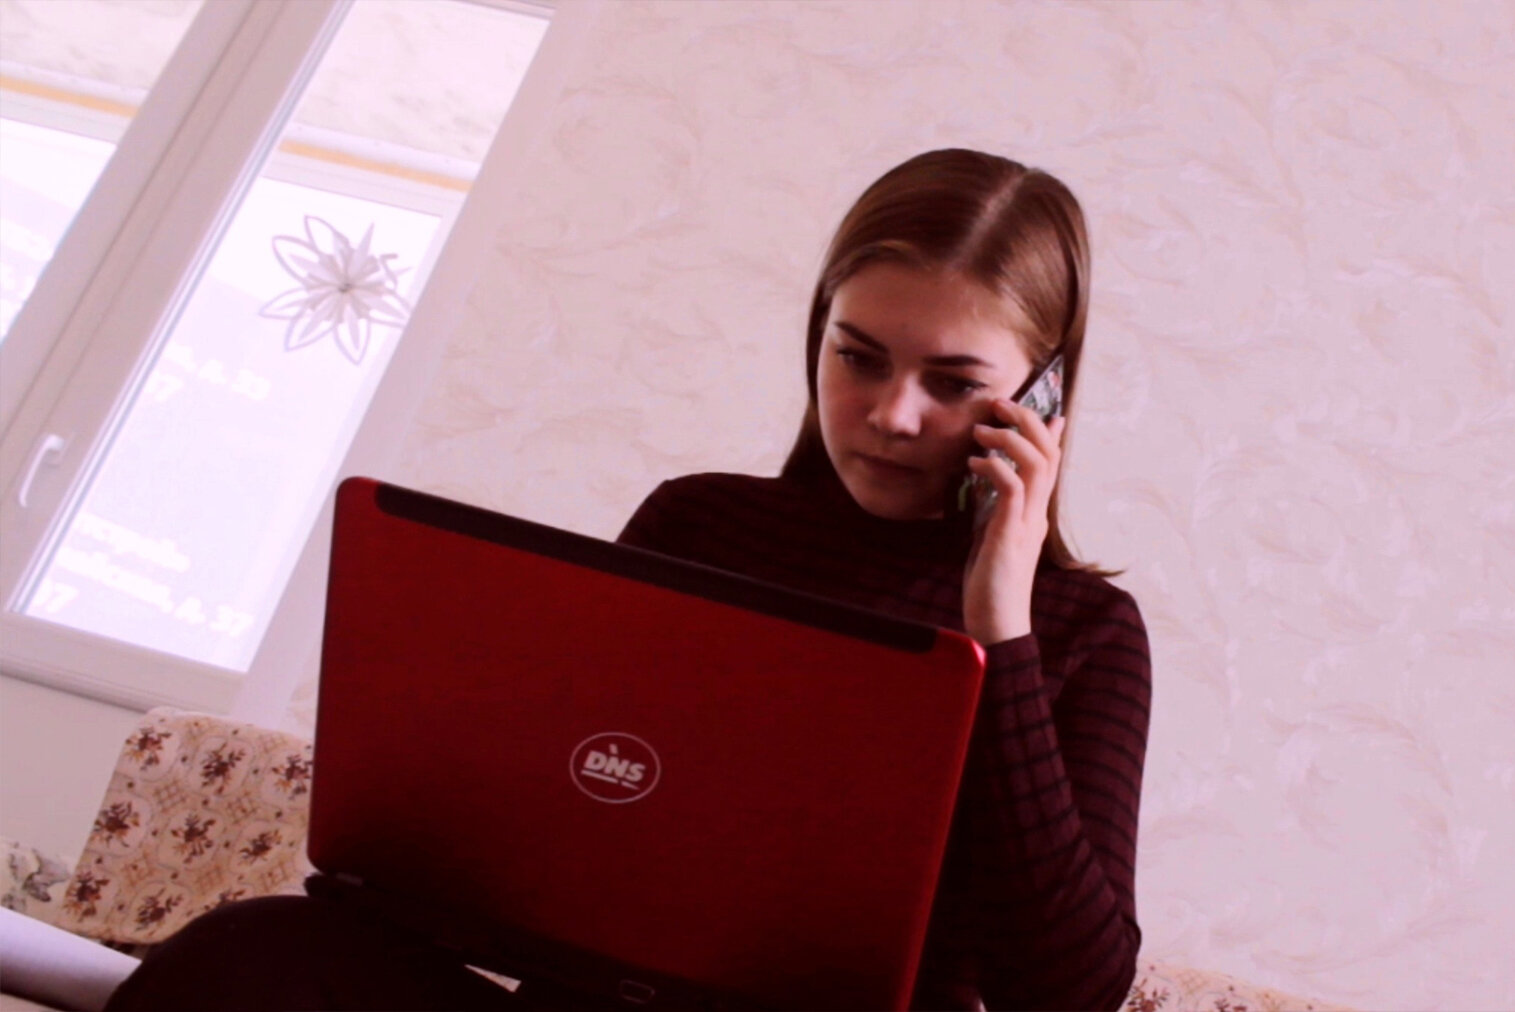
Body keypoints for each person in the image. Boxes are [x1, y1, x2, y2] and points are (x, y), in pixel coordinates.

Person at [106, 148, 1151, 1011]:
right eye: (858, 356)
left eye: (954, 382)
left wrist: (999, 624)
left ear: (1041, 396)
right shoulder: (697, 521)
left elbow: (1070, 992)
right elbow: (573, 811)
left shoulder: (1084, 631)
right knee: (255, 954)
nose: (891, 414)